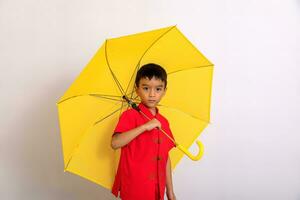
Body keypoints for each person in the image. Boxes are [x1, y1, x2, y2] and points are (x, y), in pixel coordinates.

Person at [111, 63, 177, 200]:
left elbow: (165, 157)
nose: (152, 94)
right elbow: (115, 143)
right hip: (135, 187)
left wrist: (170, 191)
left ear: (165, 91)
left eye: (158, 89)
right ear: (137, 90)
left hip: (157, 188)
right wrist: (144, 127)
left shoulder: (163, 121)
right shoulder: (129, 115)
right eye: (146, 88)